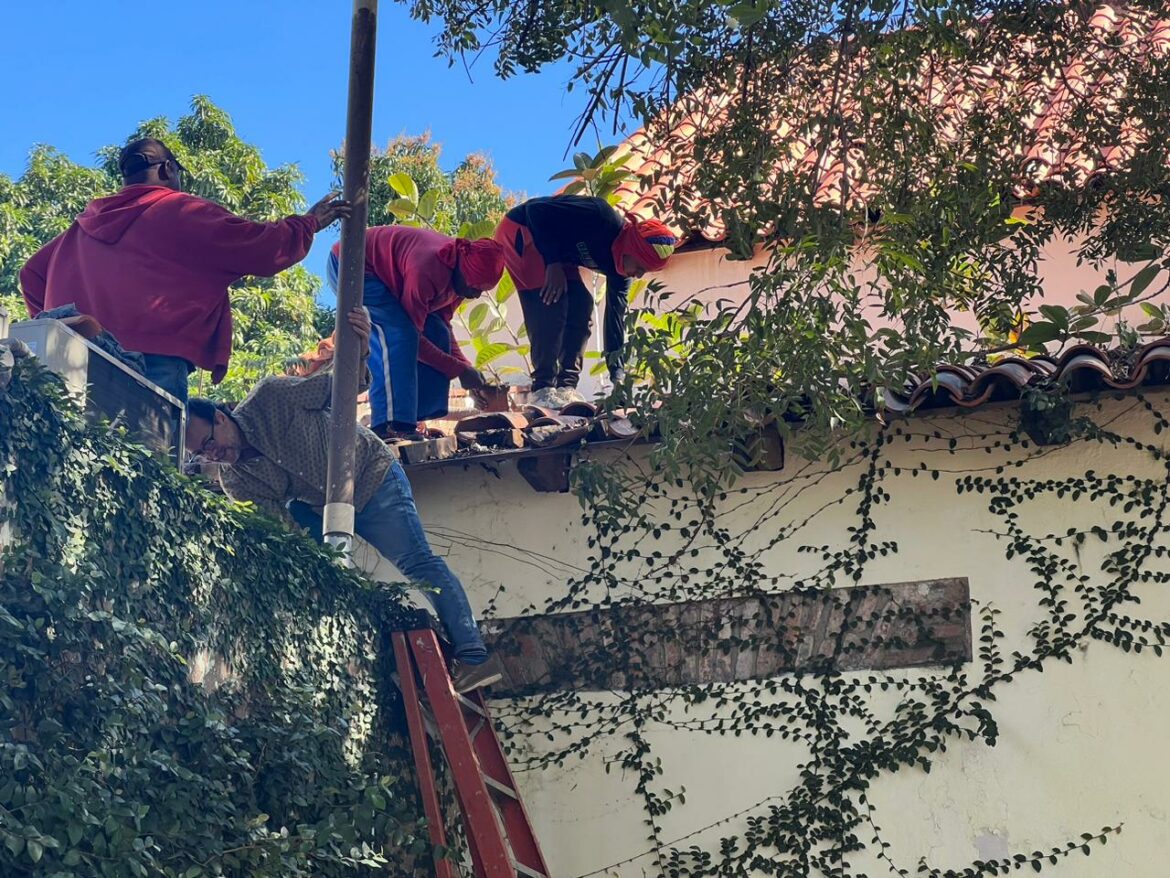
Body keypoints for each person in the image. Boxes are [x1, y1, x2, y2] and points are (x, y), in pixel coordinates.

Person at [184, 306, 503, 693]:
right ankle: (356, 643)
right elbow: (283, 533)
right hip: (324, 508)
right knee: (308, 552)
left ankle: (474, 655)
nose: (212, 455)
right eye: (201, 455)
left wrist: (361, 345)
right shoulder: (236, 480)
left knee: (418, 563)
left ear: (221, 418)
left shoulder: (271, 397)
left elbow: (343, 386)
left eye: (208, 442)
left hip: (371, 477)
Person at [20, 137, 351, 403]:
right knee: (149, 461)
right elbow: (260, 248)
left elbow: (31, 275)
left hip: (75, 361)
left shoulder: (81, 229)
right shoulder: (178, 211)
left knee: (84, 459)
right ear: (167, 169)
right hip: (152, 361)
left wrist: (66, 327)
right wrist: (308, 223)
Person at [493, 195, 678, 408]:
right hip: (523, 230)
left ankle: (566, 388)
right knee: (553, 299)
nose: (638, 275)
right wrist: (552, 264)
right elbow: (535, 210)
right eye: (640, 266)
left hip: (557, 253)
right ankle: (542, 388)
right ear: (631, 249)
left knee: (582, 305)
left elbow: (615, 321)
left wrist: (617, 378)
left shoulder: (621, 274)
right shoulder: (599, 216)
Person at [327, 225, 505, 440]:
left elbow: (441, 325)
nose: (475, 295)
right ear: (461, 270)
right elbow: (413, 338)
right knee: (398, 334)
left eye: (481, 291)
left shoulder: (460, 282)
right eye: (474, 288)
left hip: (387, 275)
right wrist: (458, 370)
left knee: (436, 331)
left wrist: (465, 368)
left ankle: (412, 418)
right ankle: (389, 425)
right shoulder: (427, 268)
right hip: (354, 263)